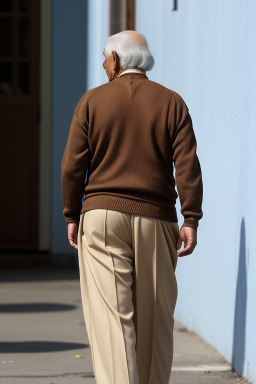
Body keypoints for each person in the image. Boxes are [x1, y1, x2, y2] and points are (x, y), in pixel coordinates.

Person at [61, 30, 203, 384]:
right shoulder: (171, 102)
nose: (103, 65)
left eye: (106, 59)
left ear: (117, 60)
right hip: (156, 220)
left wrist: (71, 213)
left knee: (112, 319)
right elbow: (187, 165)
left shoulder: (92, 101)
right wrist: (191, 218)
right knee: (155, 321)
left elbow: (72, 166)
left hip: (101, 216)